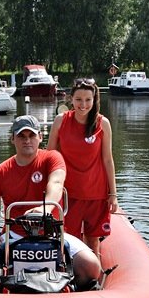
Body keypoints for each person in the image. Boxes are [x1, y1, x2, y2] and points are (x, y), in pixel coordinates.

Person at [0, 114, 102, 290]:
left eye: (31, 135)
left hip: (52, 234)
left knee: (91, 266)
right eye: (21, 136)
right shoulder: (0, 172)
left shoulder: (52, 158)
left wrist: (45, 208)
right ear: (12, 139)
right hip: (14, 235)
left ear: (40, 137)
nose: (27, 140)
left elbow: (56, 183)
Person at [47, 78, 118, 256]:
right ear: (71, 99)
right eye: (79, 99)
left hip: (96, 193)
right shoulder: (61, 121)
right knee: (69, 240)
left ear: (94, 100)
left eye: (88, 100)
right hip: (68, 194)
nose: (83, 105)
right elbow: (50, 157)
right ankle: (70, 271)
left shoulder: (103, 123)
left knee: (93, 241)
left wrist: (113, 194)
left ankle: (94, 271)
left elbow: (108, 160)